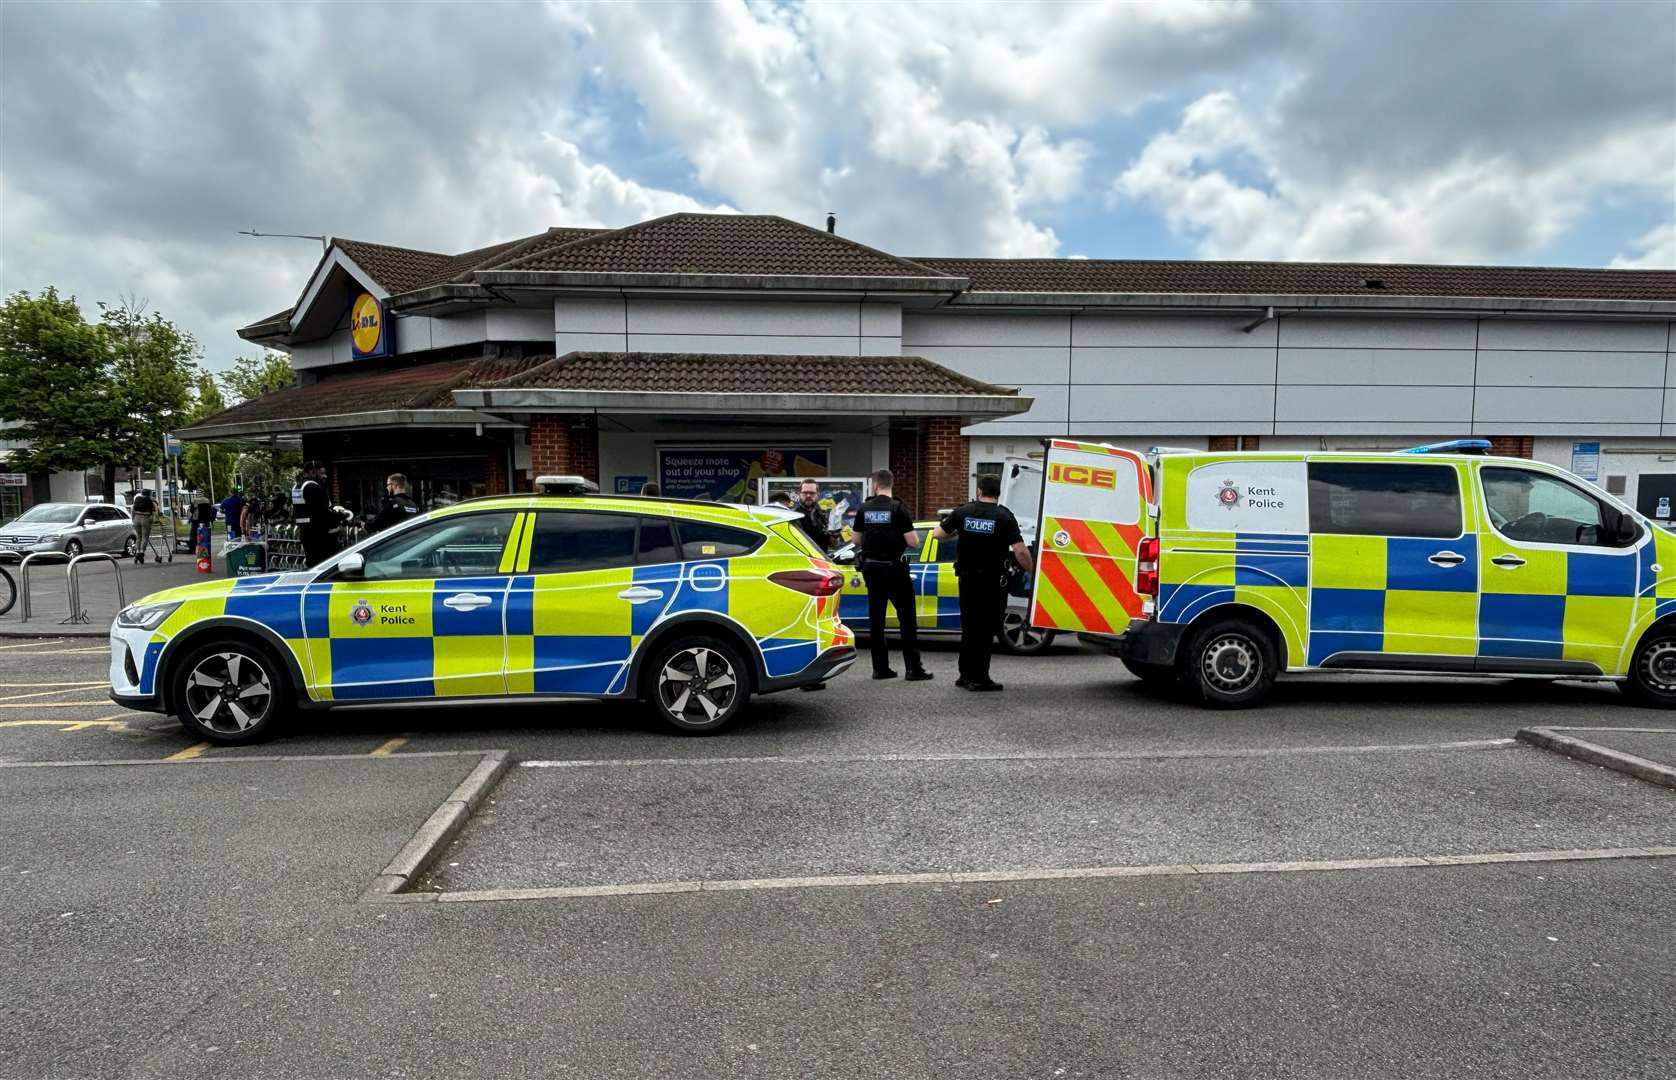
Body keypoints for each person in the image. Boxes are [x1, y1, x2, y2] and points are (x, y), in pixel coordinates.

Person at [933, 474, 1034, 692]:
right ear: (997, 493)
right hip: (992, 582)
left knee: (969, 627)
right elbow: (1020, 551)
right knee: (986, 629)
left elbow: (937, 534)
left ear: (979, 491)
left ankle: (964, 675)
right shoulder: (1004, 516)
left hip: (967, 580)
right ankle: (979, 678)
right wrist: (1032, 571)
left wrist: (960, 534)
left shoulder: (963, 512)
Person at [851, 468, 932, 682]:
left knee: (876, 620)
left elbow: (856, 540)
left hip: (871, 569)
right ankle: (913, 669)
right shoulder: (898, 508)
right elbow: (914, 541)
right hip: (895, 568)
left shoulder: (864, 508)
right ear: (890, 484)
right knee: (907, 618)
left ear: (875, 485)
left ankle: (880, 668)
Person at [292, 461, 345, 566]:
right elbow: (323, 513)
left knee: (312, 565)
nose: (324, 476)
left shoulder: (296, 488)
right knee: (327, 566)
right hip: (321, 536)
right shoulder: (314, 487)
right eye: (321, 473)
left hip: (305, 535)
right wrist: (340, 516)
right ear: (313, 472)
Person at [792, 478, 830, 552]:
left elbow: (833, 544)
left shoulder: (823, 515)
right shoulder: (792, 515)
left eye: (812, 493)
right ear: (799, 494)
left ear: (817, 494)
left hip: (822, 560)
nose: (808, 495)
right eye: (805, 493)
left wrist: (835, 534)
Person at [129, 489, 156, 565]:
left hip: (136, 518)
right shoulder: (150, 500)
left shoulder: (137, 499)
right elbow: (154, 511)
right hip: (145, 518)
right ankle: (141, 552)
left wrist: (133, 519)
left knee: (139, 537)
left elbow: (132, 509)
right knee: (145, 537)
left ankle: (137, 552)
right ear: (149, 494)